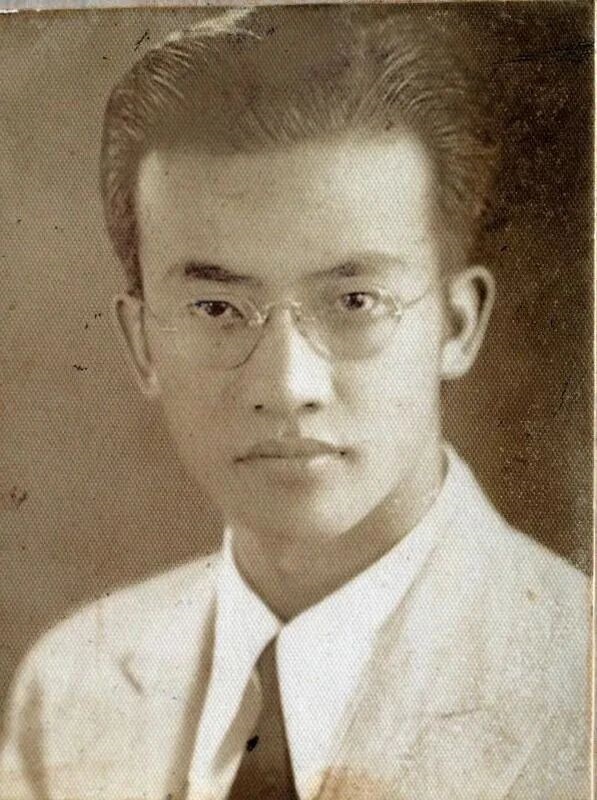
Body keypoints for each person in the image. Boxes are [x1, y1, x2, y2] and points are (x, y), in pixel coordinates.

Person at [0, 6, 590, 799]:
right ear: (142, 343)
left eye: (354, 302)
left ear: (456, 325)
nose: (286, 386)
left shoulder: (575, 678)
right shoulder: (72, 689)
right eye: (217, 308)